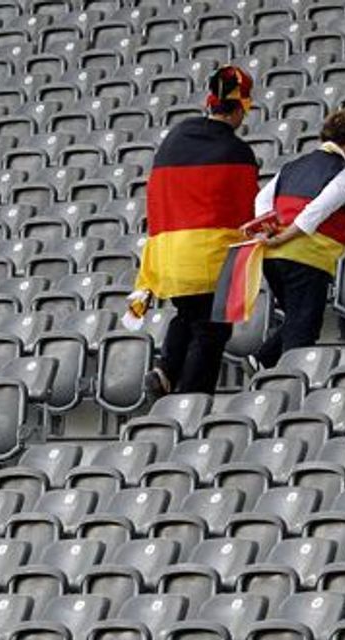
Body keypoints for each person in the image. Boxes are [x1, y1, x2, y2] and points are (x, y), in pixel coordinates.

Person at [130, 64, 259, 396]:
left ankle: (166, 368)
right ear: (239, 109)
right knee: (211, 330)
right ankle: (192, 398)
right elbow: (246, 214)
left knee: (186, 314)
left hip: (171, 255)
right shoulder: (238, 152)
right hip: (210, 258)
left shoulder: (175, 139)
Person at [247, 108, 345, 370]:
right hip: (308, 257)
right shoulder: (344, 172)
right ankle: (288, 382)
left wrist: (268, 231)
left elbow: (262, 199)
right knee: (303, 328)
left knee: (299, 317)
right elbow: (314, 213)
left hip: (273, 259)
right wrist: (284, 238)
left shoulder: (292, 166)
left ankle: (261, 360)